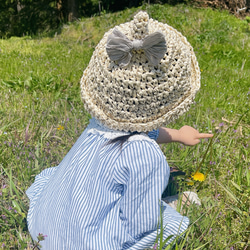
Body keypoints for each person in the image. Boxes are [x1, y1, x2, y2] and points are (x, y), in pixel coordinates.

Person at [26, 11, 213, 249]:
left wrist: (178, 135)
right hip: (86, 242)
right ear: (170, 99)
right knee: (170, 225)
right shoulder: (144, 155)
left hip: (46, 226)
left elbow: (143, 133)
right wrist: (165, 210)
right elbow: (140, 224)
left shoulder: (101, 123)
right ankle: (178, 203)